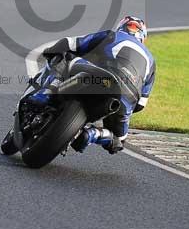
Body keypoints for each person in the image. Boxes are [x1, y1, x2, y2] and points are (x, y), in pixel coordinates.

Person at [24, 15, 155, 155]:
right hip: (126, 96)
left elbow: (71, 43)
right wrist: (124, 108)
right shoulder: (151, 61)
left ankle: (44, 94)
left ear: (122, 26)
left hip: (98, 76)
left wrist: (50, 51)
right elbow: (141, 103)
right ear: (143, 37)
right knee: (118, 141)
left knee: (65, 57)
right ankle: (93, 134)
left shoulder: (112, 35)